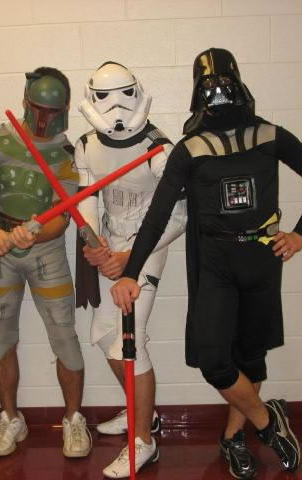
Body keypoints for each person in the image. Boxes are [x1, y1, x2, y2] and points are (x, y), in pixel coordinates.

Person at [111, 48, 302, 479]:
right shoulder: (190, 150)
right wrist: (130, 272)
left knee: (251, 355)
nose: (217, 92)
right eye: (207, 85)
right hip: (215, 261)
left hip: (262, 257)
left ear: (238, 82)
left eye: (224, 83)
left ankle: (233, 438)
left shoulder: (270, 135)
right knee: (214, 359)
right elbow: (158, 215)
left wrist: (300, 234)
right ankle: (268, 422)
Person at [0, 67, 91, 458]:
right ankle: (10, 418)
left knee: (64, 337)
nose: (44, 118)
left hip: (45, 252)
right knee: (1, 338)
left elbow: (62, 215)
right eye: (38, 108)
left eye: (53, 111)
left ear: (64, 109)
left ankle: (73, 419)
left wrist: (34, 233)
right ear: (25, 101)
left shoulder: (69, 155)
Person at [75, 62, 187, 478]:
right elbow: (87, 197)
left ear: (137, 93)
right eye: (106, 97)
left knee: (129, 341)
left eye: (125, 94)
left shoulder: (158, 148)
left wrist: (131, 258)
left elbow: (179, 214)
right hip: (112, 244)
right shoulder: (86, 144)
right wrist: (94, 243)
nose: (117, 107)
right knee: (104, 334)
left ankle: (143, 442)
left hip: (147, 246)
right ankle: (143, 412)